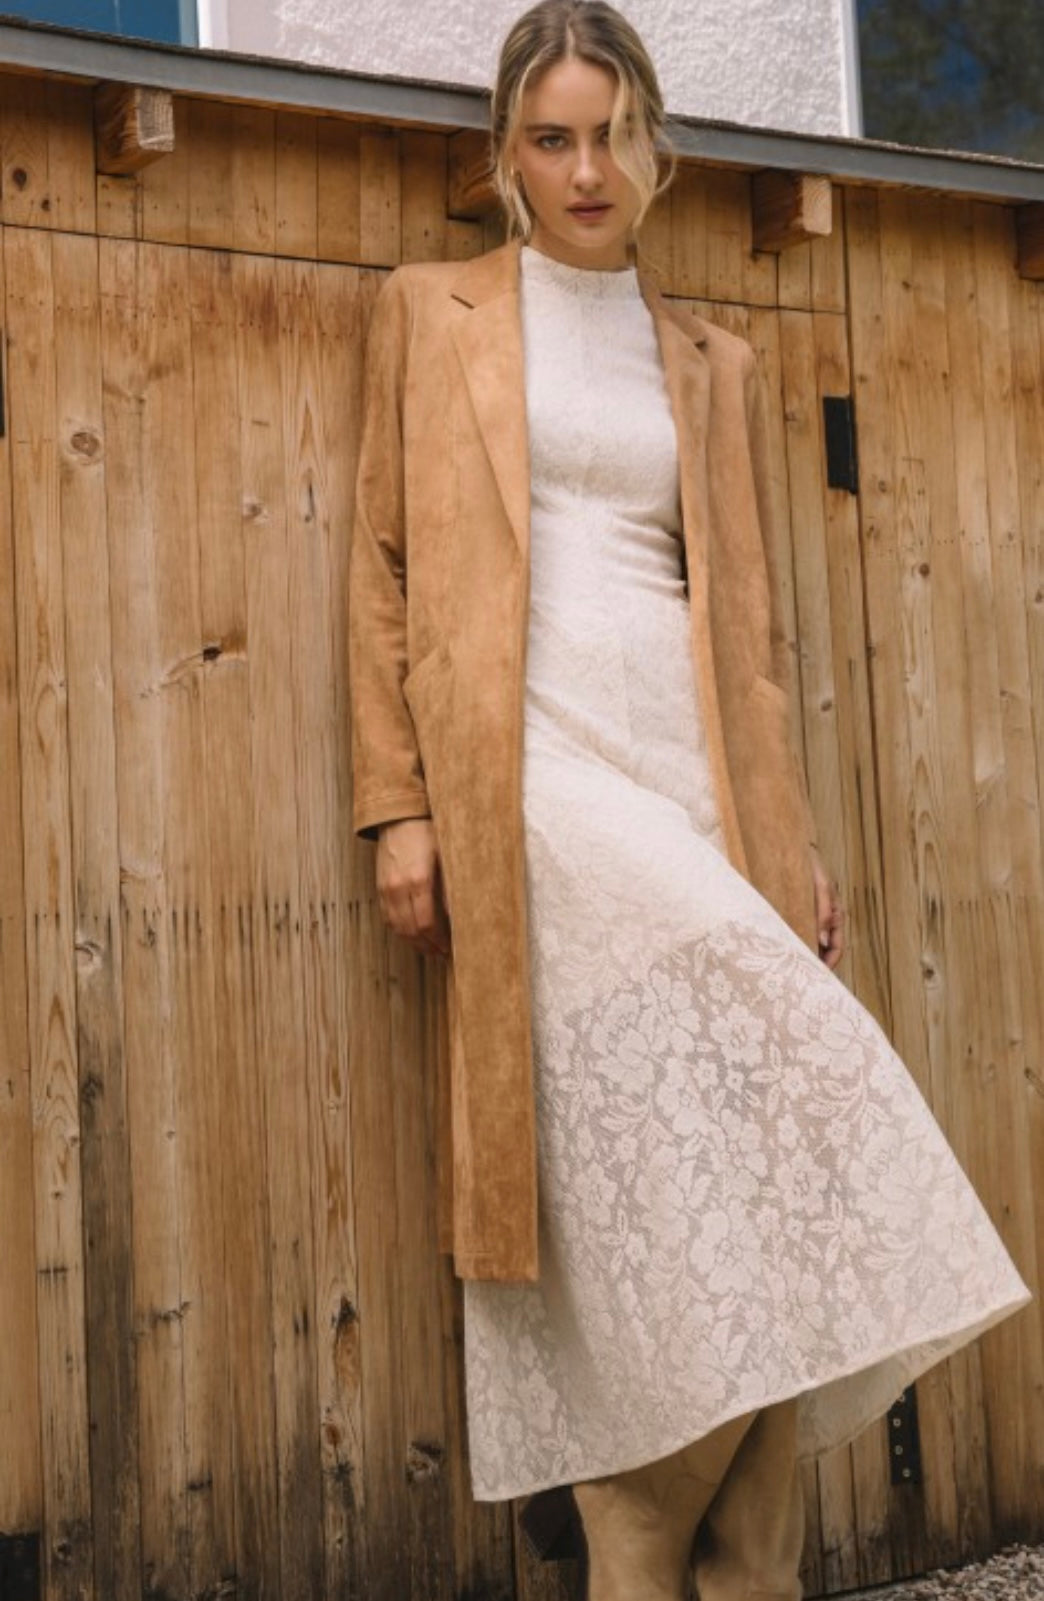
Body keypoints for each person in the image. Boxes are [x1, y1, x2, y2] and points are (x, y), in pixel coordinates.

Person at [347, 3, 1031, 1597]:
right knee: (726, 1129)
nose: (586, 169)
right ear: (507, 158)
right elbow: (378, 572)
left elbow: (752, 636)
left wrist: (782, 842)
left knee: (742, 1190)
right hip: (534, 778)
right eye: (552, 139)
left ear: (657, 150)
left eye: (613, 136)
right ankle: (626, 1515)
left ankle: (702, 1551)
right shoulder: (433, 312)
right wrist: (400, 807)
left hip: (696, 777)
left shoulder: (712, 360)